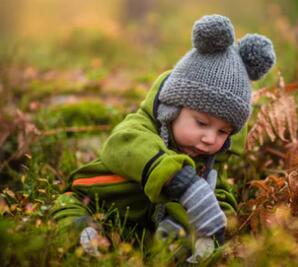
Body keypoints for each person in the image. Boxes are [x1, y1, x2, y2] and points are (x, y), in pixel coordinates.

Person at [51, 14, 275, 261]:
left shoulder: (208, 160)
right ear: (172, 109)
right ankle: (84, 237)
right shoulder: (141, 127)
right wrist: (180, 179)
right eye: (201, 123)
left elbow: (218, 192)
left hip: (140, 227)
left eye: (223, 131)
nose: (210, 138)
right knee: (69, 208)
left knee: (185, 231)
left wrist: (217, 223)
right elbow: (123, 144)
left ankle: (171, 247)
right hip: (94, 200)